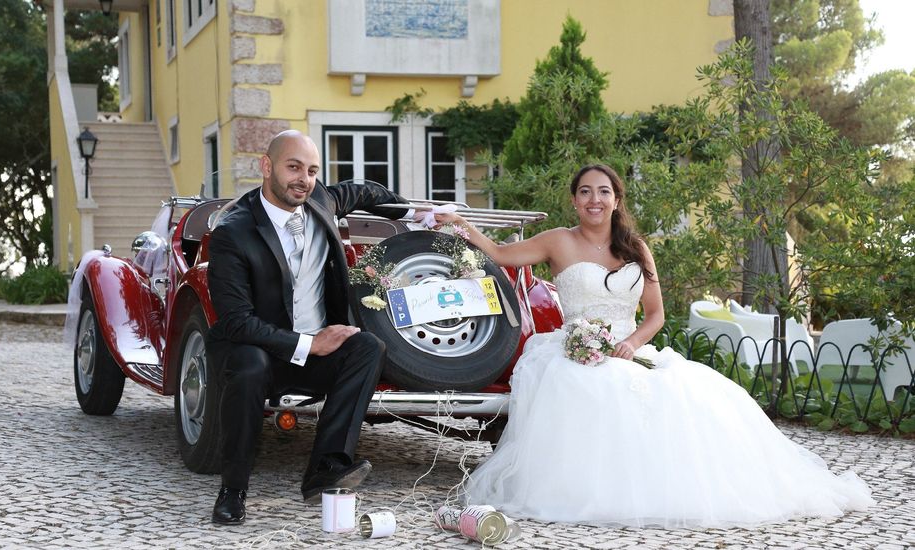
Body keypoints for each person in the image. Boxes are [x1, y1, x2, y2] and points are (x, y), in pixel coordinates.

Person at [435, 164, 873, 528]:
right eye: (585, 191)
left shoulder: (637, 249)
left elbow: (656, 315)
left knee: (689, 398)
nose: (594, 199)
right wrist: (461, 225)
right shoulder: (558, 241)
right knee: (583, 387)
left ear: (617, 200)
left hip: (631, 350)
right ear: (574, 200)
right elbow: (499, 254)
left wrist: (630, 343)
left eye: (603, 191)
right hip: (576, 350)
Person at [206, 130, 411, 524]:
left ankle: (326, 467)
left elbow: (365, 191)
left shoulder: (321, 199)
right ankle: (232, 489)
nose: (304, 178)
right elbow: (236, 321)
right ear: (267, 167)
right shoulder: (233, 231)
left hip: (317, 352)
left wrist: (413, 212)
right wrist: (307, 344)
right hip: (257, 348)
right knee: (249, 366)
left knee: (367, 347)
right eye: (293, 167)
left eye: (313, 170)